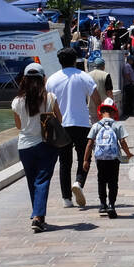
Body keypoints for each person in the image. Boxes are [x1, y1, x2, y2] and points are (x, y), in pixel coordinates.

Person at [46, 47, 99, 209]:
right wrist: (99, 117)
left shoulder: (52, 80)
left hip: (62, 125)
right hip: (82, 123)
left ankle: (66, 199)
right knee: (85, 157)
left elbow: (47, 105)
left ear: (59, 61)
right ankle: (78, 182)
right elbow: (97, 99)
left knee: (64, 162)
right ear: (75, 59)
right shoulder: (84, 77)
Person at [12, 63, 62, 233]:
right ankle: (38, 216)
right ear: (43, 79)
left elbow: (19, 126)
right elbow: (59, 120)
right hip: (46, 144)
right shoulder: (50, 98)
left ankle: (37, 215)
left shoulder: (17, 102)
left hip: (24, 146)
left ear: (24, 80)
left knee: (33, 181)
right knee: (42, 180)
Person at [82, 99, 134, 219]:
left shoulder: (96, 125)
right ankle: (111, 205)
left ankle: (102, 205)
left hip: (100, 158)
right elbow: (122, 142)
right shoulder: (117, 125)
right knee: (113, 181)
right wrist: (129, 154)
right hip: (114, 158)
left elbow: (90, 143)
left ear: (101, 112)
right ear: (114, 112)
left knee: (101, 180)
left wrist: (85, 160)